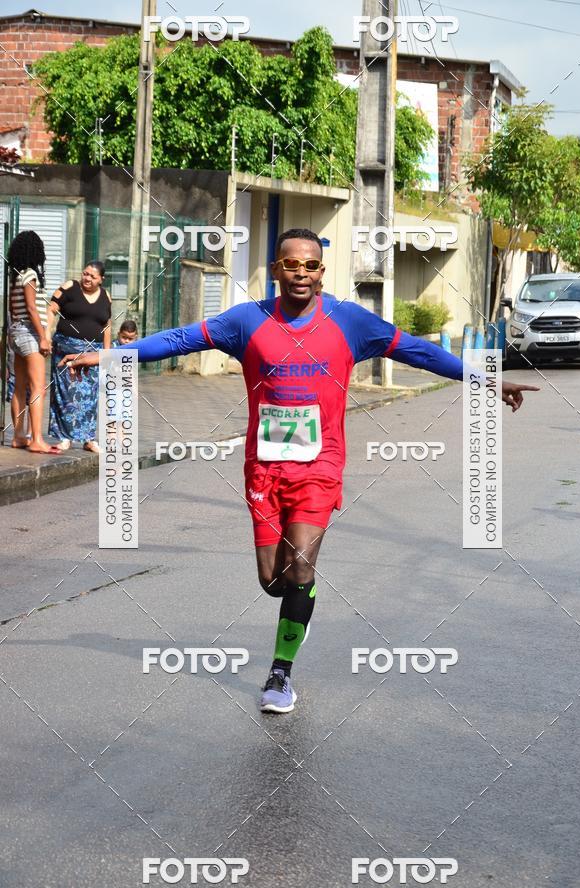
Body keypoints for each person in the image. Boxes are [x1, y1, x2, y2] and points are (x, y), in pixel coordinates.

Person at [61, 228, 539, 713]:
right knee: (274, 580)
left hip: (320, 465)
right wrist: (107, 355)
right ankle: (296, 605)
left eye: (310, 266)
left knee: (302, 566)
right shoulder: (247, 321)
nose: (301, 274)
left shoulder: (349, 321)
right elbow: (180, 339)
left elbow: (416, 349)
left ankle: (279, 675)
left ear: (321, 272)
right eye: (292, 265)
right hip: (263, 468)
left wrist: (484, 380)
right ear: (276, 271)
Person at [47, 261, 111, 453]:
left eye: (92, 276)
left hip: (93, 354)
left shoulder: (106, 296)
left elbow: (107, 325)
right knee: (65, 394)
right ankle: (64, 437)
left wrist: (107, 354)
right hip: (66, 351)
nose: (87, 278)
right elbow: (51, 309)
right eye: (85, 274)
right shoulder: (69, 288)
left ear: (101, 279)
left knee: (91, 396)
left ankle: (88, 438)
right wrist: (46, 334)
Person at [7, 230, 61, 454]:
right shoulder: (30, 274)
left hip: (16, 331)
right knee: (38, 387)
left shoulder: (16, 276)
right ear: (36, 251)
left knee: (19, 387)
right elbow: (31, 308)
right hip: (30, 332)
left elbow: (13, 308)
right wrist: (43, 336)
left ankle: (19, 436)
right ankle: (37, 439)